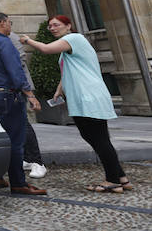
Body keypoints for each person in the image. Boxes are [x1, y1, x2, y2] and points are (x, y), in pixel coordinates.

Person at [20, 15, 131, 194]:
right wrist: (59, 89)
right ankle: (121, 178)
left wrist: (28, 40)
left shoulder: (73, 38)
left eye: (56, 25)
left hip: (88, 96)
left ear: (68, 26)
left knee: (99, 139)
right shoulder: (68, 46)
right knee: (95, 138)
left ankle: (112, 180)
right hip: (83, 96)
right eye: (50, 26)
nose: (52, 28)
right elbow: (70, 70)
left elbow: (46, 49)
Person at [0, 13, 46, 195]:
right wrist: (30, 95)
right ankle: (19, 183)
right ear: (2, 23)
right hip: (7, 95)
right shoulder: (5, 42)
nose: (10, 26)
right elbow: (15, 71)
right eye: (9, 23)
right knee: (15, 141)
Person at [9, 31, 48, 179]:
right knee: (16, 125)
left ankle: (37, 161)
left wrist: (28, 93)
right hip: (9, 89)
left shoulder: (10, 37)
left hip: (18, 88)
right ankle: (27, 158)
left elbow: (19, 64)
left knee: (23, 123)